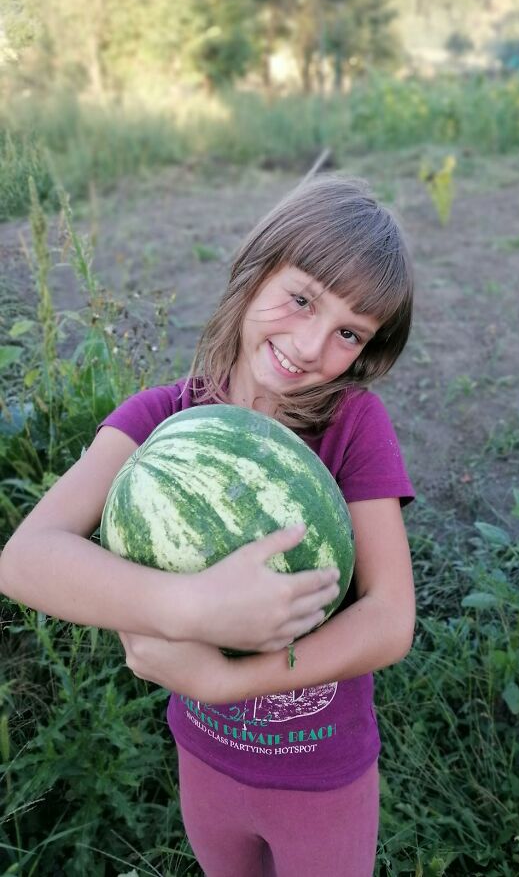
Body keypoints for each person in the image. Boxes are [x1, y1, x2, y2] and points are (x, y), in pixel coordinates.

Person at [0, 174, 415, 877]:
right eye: (302, 299)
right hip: (207, 764)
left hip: (324, 781)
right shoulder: (157, 421)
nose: (313, 345)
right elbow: (24, 560)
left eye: (349, 332)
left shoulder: (354, 427)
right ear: (256, 272)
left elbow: (390, 619)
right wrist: (190, 605)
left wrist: (230, 680)